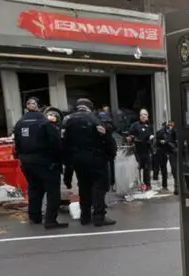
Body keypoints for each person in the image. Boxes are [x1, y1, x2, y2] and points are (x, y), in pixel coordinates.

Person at [13, 97, 66, 229]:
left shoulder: (19, 123)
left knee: (34, 188)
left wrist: (22, 157)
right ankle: (50, 220)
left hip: (26, 162)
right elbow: (56, 144)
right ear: (39, 107)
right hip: (45, 162)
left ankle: (35, 216)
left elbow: (16, 145)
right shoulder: (45, 122)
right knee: (52, 190)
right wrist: (59, 161)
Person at [63, 98, 115, 227]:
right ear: (90, 107)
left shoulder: (67, 120)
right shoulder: (96, 119)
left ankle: (85, 216)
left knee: (84, 186)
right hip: (96, 158)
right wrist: (110, 155)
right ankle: (98, 216)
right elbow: (108, 138)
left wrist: (68, 165)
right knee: (99, 187)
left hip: (78, 159)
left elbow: (64, 143)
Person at [127, 109, 155, 191]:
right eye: (142, 114)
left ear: (147, 116)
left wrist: (151, 139)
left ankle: (147, 185)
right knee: (137, 169)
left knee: (147, 169)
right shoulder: (135, 125)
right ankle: (138, 185)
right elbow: (129, 136)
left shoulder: (150, 125)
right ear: (139, 116)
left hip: (147, 150)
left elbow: (152, 136)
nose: (143, 116)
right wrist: (132, 139)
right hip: (137, 151)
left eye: (145, 114)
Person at [153, 120, 178, 193]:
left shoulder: (175, 131)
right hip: (163, 151)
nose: (170, 126)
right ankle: (165, 186)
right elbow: (156, 142)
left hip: (171, 151)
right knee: (164, 169)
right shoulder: (161, 132)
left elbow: (176, 143)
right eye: (168, 125)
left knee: (174, 169)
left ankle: (176, 186)